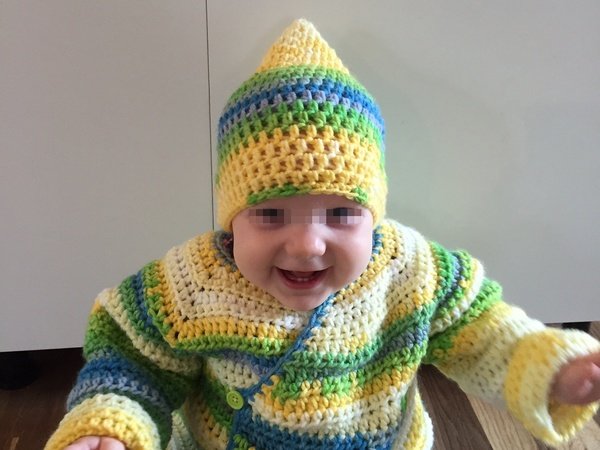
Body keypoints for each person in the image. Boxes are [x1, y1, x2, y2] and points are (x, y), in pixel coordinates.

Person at [46, 19, 600, 450]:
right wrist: (110, 423)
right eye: (270, 213)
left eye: (340, 213)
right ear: (230, 217)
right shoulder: (195, 284)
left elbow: (485, 334)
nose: (307, 244)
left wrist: (551, 367)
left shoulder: (409, 271)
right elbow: (134, 361)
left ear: (374, 213)